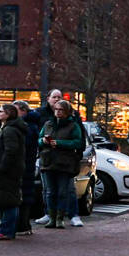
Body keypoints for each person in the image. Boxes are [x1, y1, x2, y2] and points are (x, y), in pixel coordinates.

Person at [36, 97, 86, 228]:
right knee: (50, 191)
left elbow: (78, 142)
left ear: (67, 112)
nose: (58, 112)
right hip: (48, 161)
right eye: (56, 109)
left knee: (63, 192)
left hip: (65, 163)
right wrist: (44, 141)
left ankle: (60, 218)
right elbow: (39, 139)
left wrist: (59, 143)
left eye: (61, 110)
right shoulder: (48, 124)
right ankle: (51, 217)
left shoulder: (73, 125)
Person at [0, 102, 29, 240]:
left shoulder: (9, 130)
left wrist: (2, 167)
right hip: (12, 169)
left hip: (8, 171)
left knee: (7, 200)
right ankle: (7, 229)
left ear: (8, 114)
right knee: (9, 199)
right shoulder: (9, 128)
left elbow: (10, 151)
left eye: (1, 111)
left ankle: (6, 230)